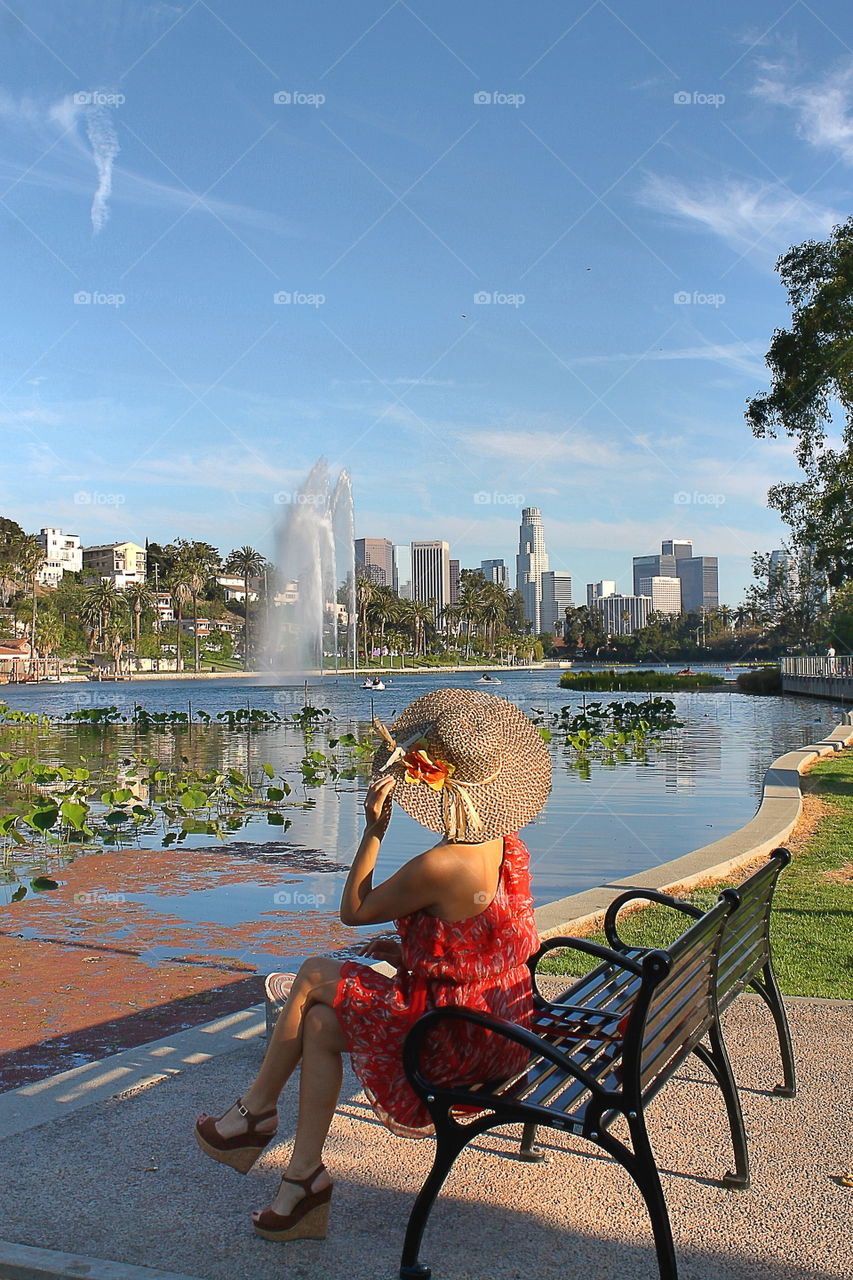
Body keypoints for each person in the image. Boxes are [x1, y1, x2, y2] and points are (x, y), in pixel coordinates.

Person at [194, 688, 551, 1244]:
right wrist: (414, 955)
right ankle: (301, 1182)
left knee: (313, 972)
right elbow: (482, 938)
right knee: (317, 1026)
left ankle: (254, 1114)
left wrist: (373, 828)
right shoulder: (504, 844)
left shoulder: (440, 864)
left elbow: (353, 912)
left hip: (454, 1037)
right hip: (501, 1023)